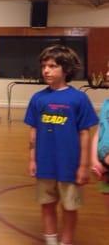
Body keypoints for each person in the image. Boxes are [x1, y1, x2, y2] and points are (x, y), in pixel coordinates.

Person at [24, 45, 98, 245]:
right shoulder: (38, 98)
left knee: (69, 208)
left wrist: (83, 166)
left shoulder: (79, 98)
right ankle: (51, 241)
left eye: (52, 66)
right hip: (45, 165)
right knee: (47, 205)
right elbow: (34, 131)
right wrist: (32, 159)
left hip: (70, 166)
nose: (46, 70)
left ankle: (66, 242)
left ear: (66, 69)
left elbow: (85, 134)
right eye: (43, 66)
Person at [91, 60, 109, 212]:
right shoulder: (106, 103)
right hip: (104, 168)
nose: (107, 74)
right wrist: (95, 160)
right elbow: (98, 132)